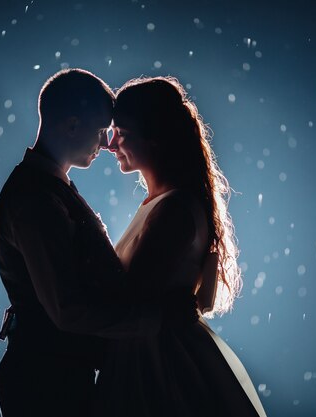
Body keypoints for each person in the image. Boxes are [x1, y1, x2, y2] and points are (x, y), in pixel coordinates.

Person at [0, 69, 196, 417]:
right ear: (72, 126)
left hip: (57, 374)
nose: (106, 144)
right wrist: (156, 319)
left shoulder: (51, 189)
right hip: (44, 384)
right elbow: (67, 308)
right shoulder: (36, 200)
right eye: (102, 131)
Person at [96, 76, 268, 417]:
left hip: (157, 367)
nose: (110, 145)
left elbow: (128, 295)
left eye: (120, 133)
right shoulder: (163, 203)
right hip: (151, 354)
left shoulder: (174, 208)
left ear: (154, 137)